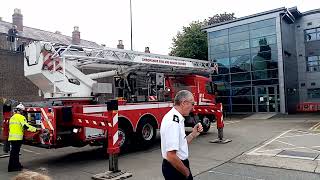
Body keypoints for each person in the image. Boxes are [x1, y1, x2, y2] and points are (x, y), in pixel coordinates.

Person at [160, 90, 203, 180]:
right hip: (175, 167)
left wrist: (193, 134)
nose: (193, 108)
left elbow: (180, 144)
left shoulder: (177, 118)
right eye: (192, 104)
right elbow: (171, 156)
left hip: (176, 165)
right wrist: (186, 172)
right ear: (184, 103)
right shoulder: (173, 122)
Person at [8, 103, 37, 172]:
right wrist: (35, 129)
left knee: (13, 153)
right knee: (15, 154)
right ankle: (13, 167)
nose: (22, 113)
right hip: (17, 138)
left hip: (12, 138)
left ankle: (15, 165)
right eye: (22, 111)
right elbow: (26, 126)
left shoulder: (12, 117)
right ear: (21, 111)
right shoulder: (21, 117)